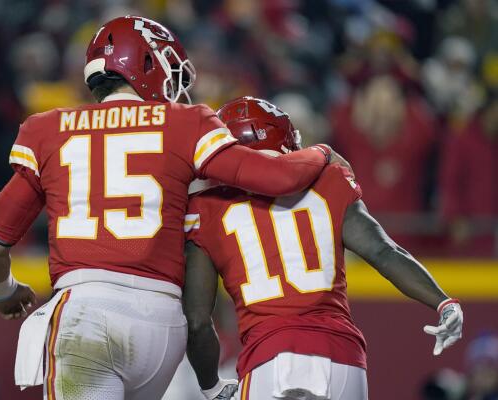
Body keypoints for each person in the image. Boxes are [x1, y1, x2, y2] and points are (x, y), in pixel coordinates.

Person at [0, 16, 348, 400]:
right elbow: (276, 178)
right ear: (147, 63)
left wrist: (4, 291)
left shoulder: (47, 129)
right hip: (164, 327)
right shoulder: (184, 123)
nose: (174, 87)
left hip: (85, 316)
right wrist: (320, 152)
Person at [183, 96, 464, 400]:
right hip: (343, 358)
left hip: (270, 358)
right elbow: (384, 251)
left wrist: (210, 385)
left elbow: (198, 320)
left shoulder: (206, 208)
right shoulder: (328, 180)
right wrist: (442, 301)